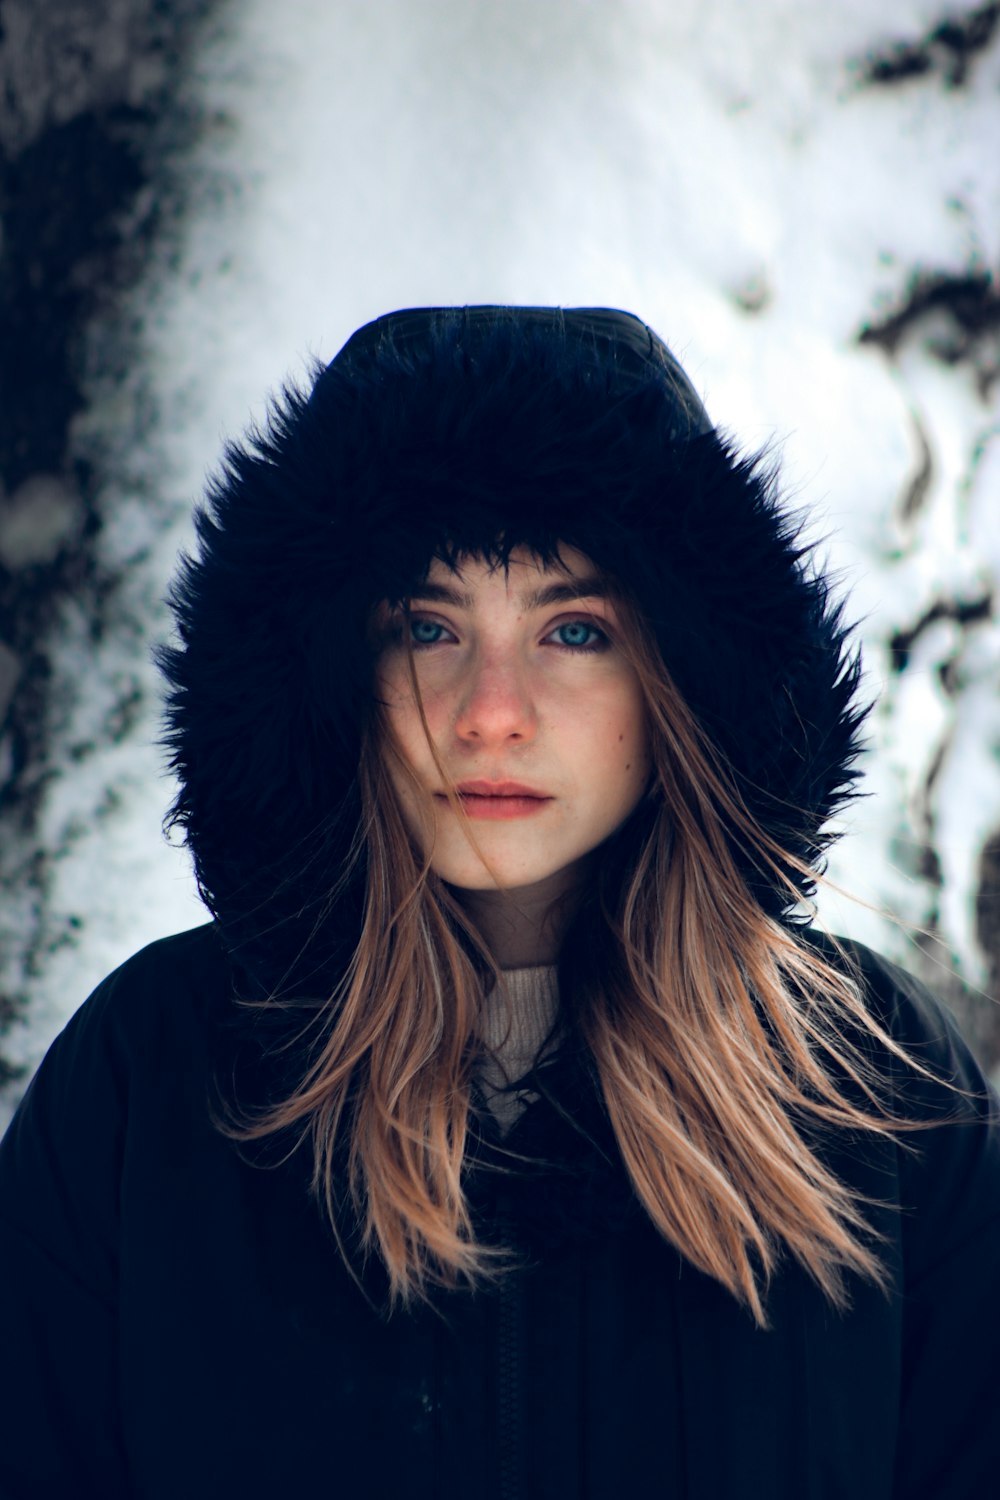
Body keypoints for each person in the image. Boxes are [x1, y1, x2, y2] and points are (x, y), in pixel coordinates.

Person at [1, 306, 998, 1500]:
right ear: (331, 672)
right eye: (428, 626)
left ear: (679, 673)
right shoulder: (150, 1076)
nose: (489, 711)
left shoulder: (878, 1094)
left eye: (572, 630)